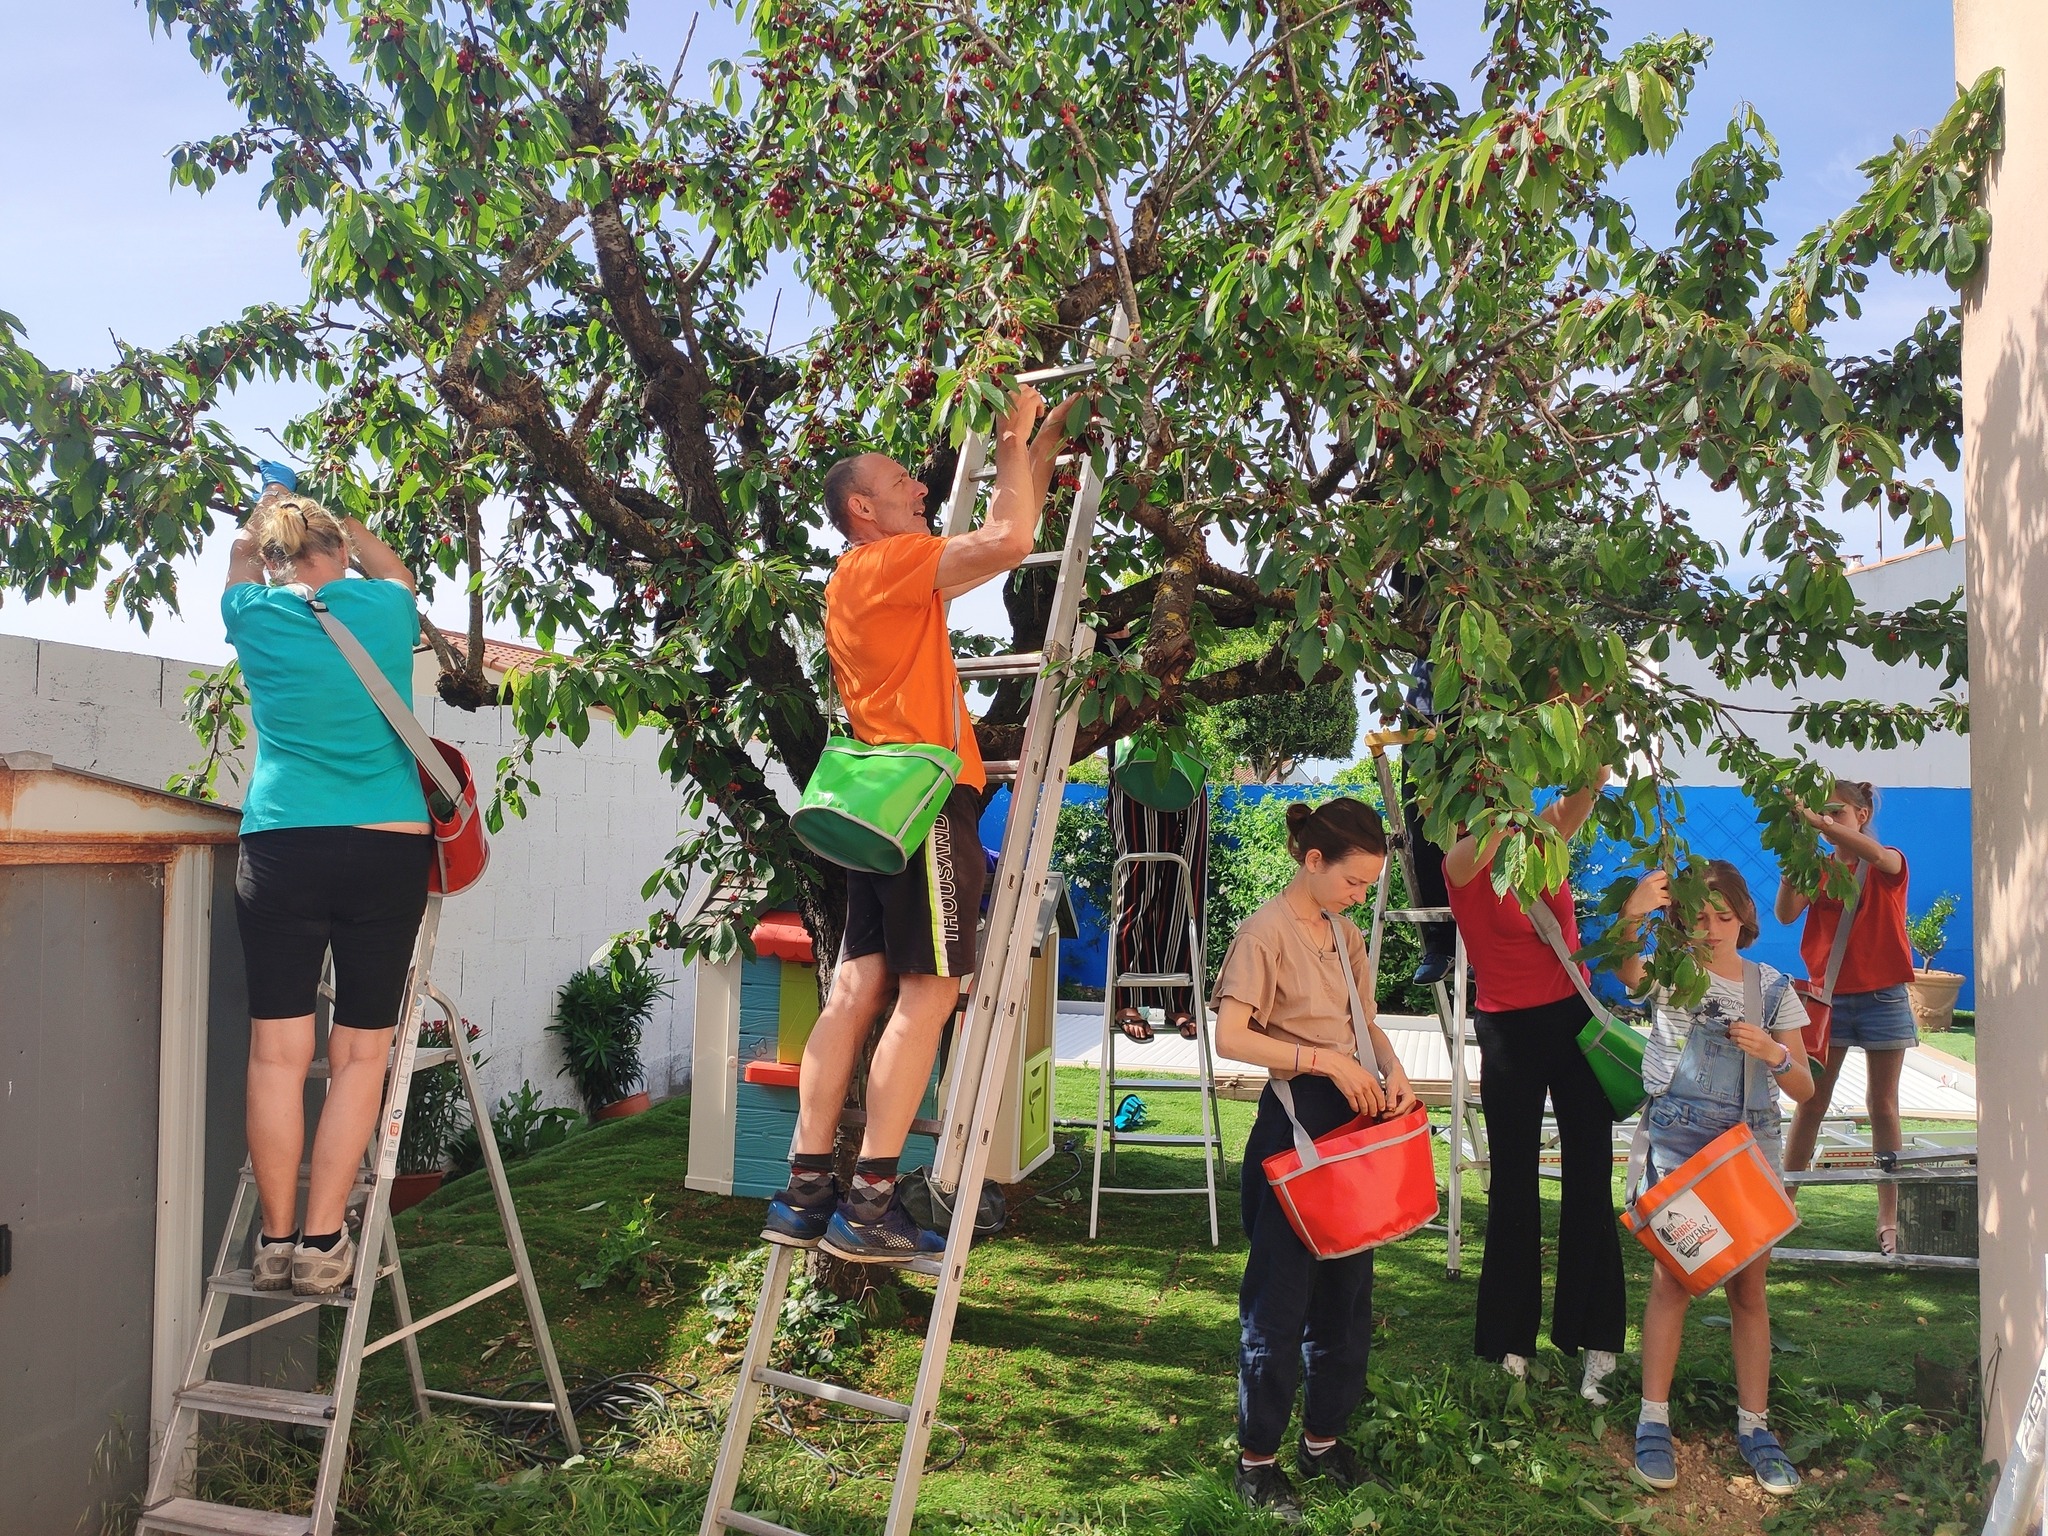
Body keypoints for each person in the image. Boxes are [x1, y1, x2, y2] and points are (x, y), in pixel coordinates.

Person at [762, 385, 1073, 1263]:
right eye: (906, 484)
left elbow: (1006, 540)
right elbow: (1010, 541)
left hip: (879, 804)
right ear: (863, 507)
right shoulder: (883, 563)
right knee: (929, 993)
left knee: (856, 987)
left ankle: (806, 1187)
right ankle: (870, 1203)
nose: (923, 493)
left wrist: (1034, 447)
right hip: (931, 799)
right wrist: (1013, 441)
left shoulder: (866, 583)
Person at [224, 484, 432, 1296]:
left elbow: (239, 565)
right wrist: (347, 521)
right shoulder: (382, 611)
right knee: (359, 1053)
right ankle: (321, 1241)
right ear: (338, 548)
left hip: (282, 844)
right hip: (384, 846)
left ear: (276, 561)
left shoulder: (254, 616)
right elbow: (398, 569)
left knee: (278, 1054)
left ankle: (274, 1242)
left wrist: (259, 522)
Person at [1213, 798, 1416, 1520]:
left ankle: (1323, 1442)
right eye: (1354, 882)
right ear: (1312, 861)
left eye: (1368, 886)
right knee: (1277, 1305)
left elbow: (1367, 1022)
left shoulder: (1345, 933)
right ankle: (1256, 1462)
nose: (1360, 897)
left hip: (1351, 1137)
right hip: (1292, 1138)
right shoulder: (1262, 934)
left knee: (1347, 1299)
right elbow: (1230, 1038)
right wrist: (1324, 1061)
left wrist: (1392, 1071)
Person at [1614, 862, 1815, 1497]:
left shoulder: (1774, 987)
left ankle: (1756, 1428)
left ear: (1745, 917)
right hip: (1677, 1143)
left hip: (1749, 1148)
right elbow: (1625, 970)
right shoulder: (1672, 977)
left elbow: (1805, 1085)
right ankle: (1653, 1421)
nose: (1712, 927)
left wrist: (1775, 1053)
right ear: (1679, 922)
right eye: (1697, 916)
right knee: (1674, 1279)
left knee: (1749, 1290)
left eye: (1723, 915)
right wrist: (1632, 912)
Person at [1443, 768, 1626, 1403]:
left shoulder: (1540, 847)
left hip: (1572, 1026)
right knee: (1514, 1188)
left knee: (1590, 1181)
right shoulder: (1462, 859)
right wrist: (1506, 784)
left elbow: (1574, 803)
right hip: (1509, 1035)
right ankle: (1509, 1345)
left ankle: (1597, 1344)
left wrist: (1591, 763)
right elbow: (1488, 842)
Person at [1776, 780, 1916, 1255]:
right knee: (1810, 1103)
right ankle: (1784, 1206)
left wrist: (1821, 826)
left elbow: (1880, 858)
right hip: (1827, 999)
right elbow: (1784, 914)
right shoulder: (1815, 869)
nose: (1828, 820)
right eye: (1821, 813)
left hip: (1884, 999)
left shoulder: (1887, 860)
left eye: (1837, 812)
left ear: (1861, 812)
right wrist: (1797, 850)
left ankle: (1888, 1217)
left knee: (1884, 1106)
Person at [1108, 774, 1209, 1044]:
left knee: (1187, 893)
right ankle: (1125, 1000)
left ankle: (1180, 1001)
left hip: (1187, 768)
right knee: (1135, 889)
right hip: (1135, 766)